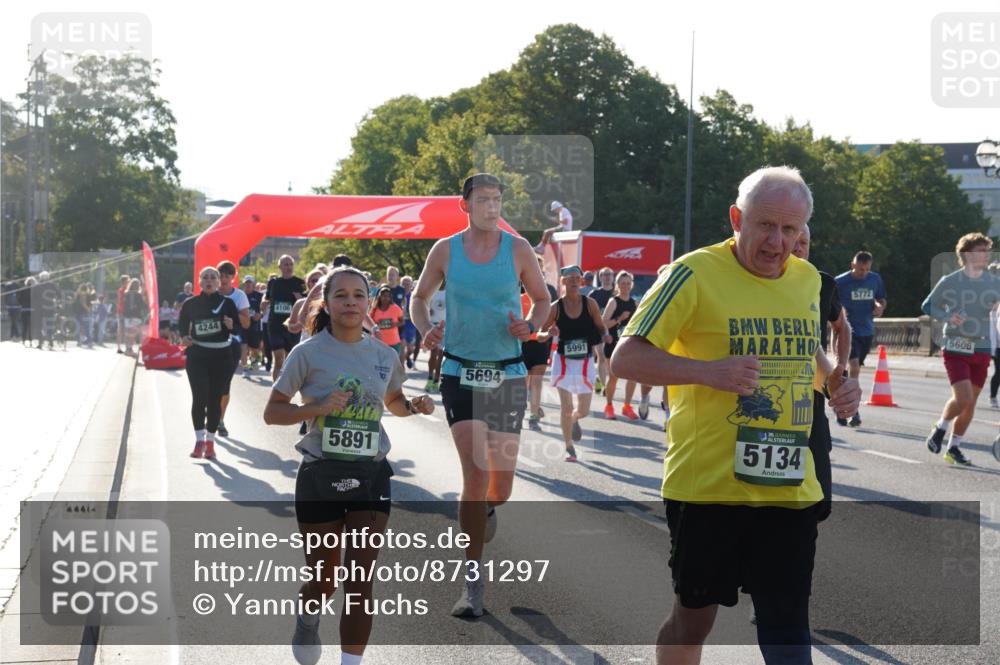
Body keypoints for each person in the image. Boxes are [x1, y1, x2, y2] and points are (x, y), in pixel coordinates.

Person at [611, 166, 860, 665]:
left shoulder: (809, 280)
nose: (777, 242)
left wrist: (837, 382)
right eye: (765, 226)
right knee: (694, 618)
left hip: (790, 486)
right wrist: (708, 372)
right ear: (736, 218)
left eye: (790, 230)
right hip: (707, 488)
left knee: (788, 627)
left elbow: (803, 351)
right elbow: (626, 358)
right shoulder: (691, 273)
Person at [263, 266, 434, 665]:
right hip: (320, 474)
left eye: (359, 295)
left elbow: (392, 401)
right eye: (341, 295)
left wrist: (412, 407)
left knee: (359, 581)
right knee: (324, 580)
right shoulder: (307, 352)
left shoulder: (383, 354)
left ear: (369, 302)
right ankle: (308, 616)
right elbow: (272, 412)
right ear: (327, 302)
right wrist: (319, 408)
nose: (351, 302)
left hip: (370, 475)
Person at [411, 172, 550, 618]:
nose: (492, 207)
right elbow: (419, 297)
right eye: (484, 200)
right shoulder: (446, 250)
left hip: (508, 373)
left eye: (497, 200)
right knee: (473, 474)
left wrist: (530, 325)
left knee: (500, 487)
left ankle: (488, 508)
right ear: (465, 204)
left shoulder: (519, 249)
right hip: (459, 369)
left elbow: (542, 301)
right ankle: (472, 582)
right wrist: (424, 328)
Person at [922, 232, 1000, 467]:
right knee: (963, 396)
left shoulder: (992, 281)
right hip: (956, 344)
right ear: (967, 254)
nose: (985, 255)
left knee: (971, 402)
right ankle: (940, 428)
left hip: (982, 346)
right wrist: (947, 316)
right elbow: (928, 305)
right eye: (980, 251)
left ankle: (954, 446)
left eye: (986, 251)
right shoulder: (951, 281)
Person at [535, 265, 612, 460]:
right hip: (563, 361)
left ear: (581, 281)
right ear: (562, 282)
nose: (574, 281)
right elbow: (541, 334)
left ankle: (576, 419)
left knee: (583, 410)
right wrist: (549, 333)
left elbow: (601, 327)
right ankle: (569, 446)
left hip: (585, 361)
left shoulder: (590, 304)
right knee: (566, 407)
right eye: (570, 278)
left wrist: (606, 335)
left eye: (577, 278)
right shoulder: (556, 307)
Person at [178, 267, 239, 460]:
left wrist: (232, 326)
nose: (210, 280)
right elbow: (181, 324)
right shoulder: (191, 303)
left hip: (222, 356)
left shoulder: (227, 303)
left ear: (219, 282)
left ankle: (211, 443)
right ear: (200, 281)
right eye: (206, 277)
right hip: (197, 355)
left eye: (213, 277)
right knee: (199, 397)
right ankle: (199, 441)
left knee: (214, 399)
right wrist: (184, 337)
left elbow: (238, 326)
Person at [834, 251, 887, 427]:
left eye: (866, 269)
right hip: (847, 331)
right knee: (853, 367)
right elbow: (830, 303)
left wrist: (880, 306)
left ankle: (841, 406)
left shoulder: (874, 279)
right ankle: (854, 411)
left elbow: (881, 298)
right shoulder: (840, 282)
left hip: (867, 331)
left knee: (847, 372)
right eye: (860, 269)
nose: (863, 273)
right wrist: (839, 311)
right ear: (852, 265)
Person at [216, 261, 252, 437]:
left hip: (232, 344)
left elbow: (246, 323)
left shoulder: (239, 296)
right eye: (221, 275)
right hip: (210, 344)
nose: (223, 279)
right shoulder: (211, 293)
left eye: (227, 276)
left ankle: (220, 420)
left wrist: (231, 315)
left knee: (224, 385)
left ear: (233, 277)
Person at [602, 270, 639, 420]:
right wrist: (619, 318)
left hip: (627, 345)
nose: (626, 286)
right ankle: (609, 406)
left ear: (632, 285)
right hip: (612, 344)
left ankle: (627, 406)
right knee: (613, 376)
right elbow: (603, 322)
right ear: (617, 285)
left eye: (628, 283)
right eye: (623, 283)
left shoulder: (634, 303)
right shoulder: (614, 301)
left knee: (633, 376)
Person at [264, 255, 306, 381]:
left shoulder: (300, 283)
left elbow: (307, 303)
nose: (288, 267)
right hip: (275, 324)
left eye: (290, 264)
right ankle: (276, 388)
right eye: (285, 264)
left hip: (292, 325)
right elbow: (267, 297)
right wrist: (263, 301)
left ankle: (286, 388)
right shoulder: (273, 282)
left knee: (289, 360)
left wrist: (300, 298)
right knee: (278, 359)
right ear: (280, 267)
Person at [589, 267, 616, 394]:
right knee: (601, 356)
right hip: (597, 329)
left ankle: (603, 380)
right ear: (600, 277)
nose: (607, 277)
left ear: (613, 277)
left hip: (614, 329)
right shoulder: (594, 294)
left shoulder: (616, 293)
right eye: (604, 275)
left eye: (609, 274)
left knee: (610, 358)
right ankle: (604, 385)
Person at [369, 286, 404, 355]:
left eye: (388, 296)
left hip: (393, 342)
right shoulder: (374, 308)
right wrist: (376, 324)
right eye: (383, 296)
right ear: (379, 296)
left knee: (392, 364)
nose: (386, 298)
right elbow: (369, 322)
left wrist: (395, 324)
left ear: (390, 297)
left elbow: (402, 322)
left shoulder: (395, 308)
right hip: (377, 342)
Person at [426, 282, 446, 392]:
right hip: (433, 325)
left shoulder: (449, 293)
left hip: (445, 327)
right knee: (433, 354)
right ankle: (429, 378)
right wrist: (427, 311)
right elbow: (423, 305)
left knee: (441, 355)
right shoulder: (431, 292)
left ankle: (436, 380)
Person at [241, 276, 264, 370]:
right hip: (242, 325)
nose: (248, 285)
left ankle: (254, 362)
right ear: (244, 284)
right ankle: (245, 368)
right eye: (246, 283)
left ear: (253, 284)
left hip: (254, 325)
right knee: (243, 346)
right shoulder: (240, 295)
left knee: (254, 348)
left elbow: (264, 308)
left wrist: (260, 314)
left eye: (250, 283)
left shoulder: (259, 296)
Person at [399, 276, 419, 369]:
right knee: (401, 346)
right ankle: (401, 368)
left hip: (411, 324)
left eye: (407, 284)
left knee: (411, 348)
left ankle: (407, 357)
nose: (405, 285)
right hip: (400, 324)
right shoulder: (397, 295)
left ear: (411, 285)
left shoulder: (414, 296)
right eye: (403, 283)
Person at [123, 278, 146, 356]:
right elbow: (142, 306)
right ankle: (130, 350)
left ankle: (127, 349)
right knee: (132, 334)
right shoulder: (139, 295)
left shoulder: (126, 294)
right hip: (136, 316)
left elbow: (124, 305)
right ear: (138, 286)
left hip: (127, 316)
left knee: (127, 333)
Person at [116, 275, 130, 354]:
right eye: (127, 281)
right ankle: (119, 347)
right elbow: (122, 300)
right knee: (121, 330)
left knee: (126, 330)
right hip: (121, 312)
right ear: (124, 282)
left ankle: (125, 347)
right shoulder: (122, 290)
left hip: (125, 312)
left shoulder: (125, 290)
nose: (128, 282)